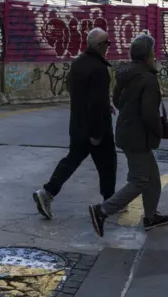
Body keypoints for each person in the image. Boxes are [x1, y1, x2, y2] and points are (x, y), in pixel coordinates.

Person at [89, 33, 168, 235]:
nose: (155, 56)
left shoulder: (125, 75)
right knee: (140, 179)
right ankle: (102, 211)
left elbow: (117, 102)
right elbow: (150, 113)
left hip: (126, 132)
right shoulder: (148, 79)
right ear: (147, 55)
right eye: (153, 53)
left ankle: (151, 216)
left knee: (152, 176)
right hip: (138, 138)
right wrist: (159, 131)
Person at [33, 27, 116, 220]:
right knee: (108, 164)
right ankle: (111, 201)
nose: (109, 47)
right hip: (96, 128)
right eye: (107, 43)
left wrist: (105, 104)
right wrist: (96, 134)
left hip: (78, 125)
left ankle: (47, 193)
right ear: (100, 45)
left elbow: (81, 95)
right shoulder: (99, 69)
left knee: (71, 161)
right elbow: (94, 103)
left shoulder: (78, 63)